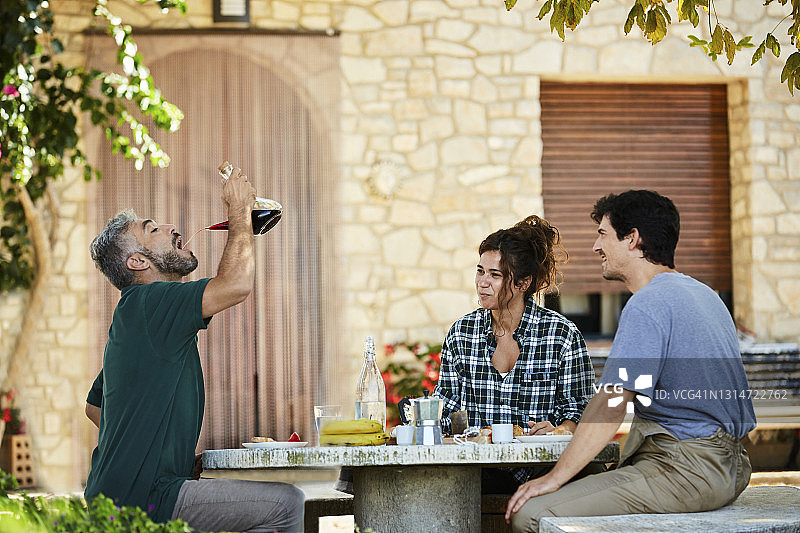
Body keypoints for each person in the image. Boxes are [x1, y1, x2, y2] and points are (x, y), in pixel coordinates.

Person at [506, 190, 756, 532]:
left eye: (602, 234)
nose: (596, 247)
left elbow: (612, 403)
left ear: (632, 239)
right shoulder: (704, 294)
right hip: (730, 467)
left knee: (530, 514)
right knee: (585, 472)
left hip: (686, 470)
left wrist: (552, 479)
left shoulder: (647, 304)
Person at [84, 165, 304, 532]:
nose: (171, 227)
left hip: (120, 497)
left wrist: (157, 453)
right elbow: (235, 284)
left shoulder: (139, 322)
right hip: (146, 499)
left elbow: (95, 407)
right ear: (137, 261)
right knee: (285, 504)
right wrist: (239, 212)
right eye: (152, 229)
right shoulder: (148, 302)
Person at [433, 215, 597, 493]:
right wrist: (422, 416)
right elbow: (447, 407)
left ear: (523, 283)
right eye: (480, 271)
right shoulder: (461, 333)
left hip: (544, 471)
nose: (482, 283)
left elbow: (581, 410)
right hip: (478, 473)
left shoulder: (561, 335)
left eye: (495, 275)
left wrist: (559, 429)